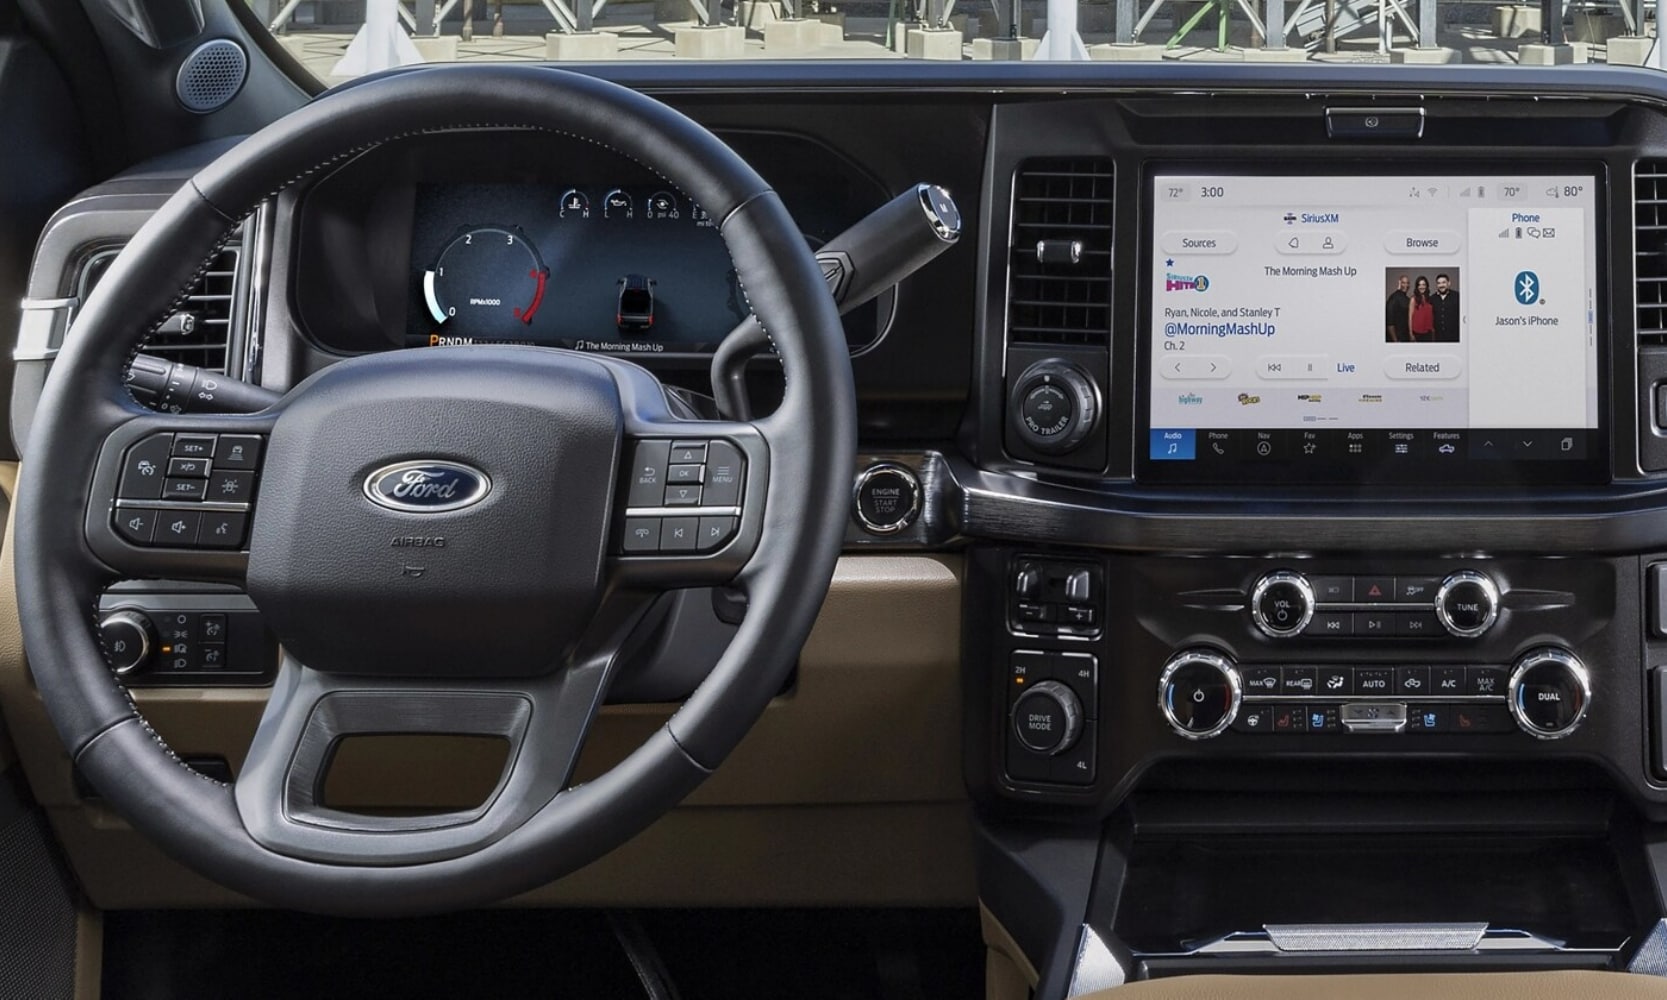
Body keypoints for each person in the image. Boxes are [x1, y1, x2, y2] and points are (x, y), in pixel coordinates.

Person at [1432, 273, 1460, 343]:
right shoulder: (1432, 298)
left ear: (1449, 283)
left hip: (1454, 337)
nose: (1441, 285)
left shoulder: (1457, 296)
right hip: (1438, 337)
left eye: (1444, 282)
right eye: (1439, 283)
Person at [1385, 274, 1411, 342]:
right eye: (1403, 282)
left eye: (1408, 283)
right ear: (1399, 283)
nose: (1406, 285)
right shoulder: (1393, 298)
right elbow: (1389, 322)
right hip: (1397, 338)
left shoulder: (1407, 299)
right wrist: (1395, 341)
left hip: (1405, 337)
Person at [1408, 276, 1434, 341]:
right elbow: (1410, 317)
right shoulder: (1413, 299)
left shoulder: (1429, 299)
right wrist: (1411, 334)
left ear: (1426, 286)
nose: (1421, 287)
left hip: (1428, 332)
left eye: (1423, 284)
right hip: (1417, 332)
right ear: (1417, 286)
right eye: (1419, 285)